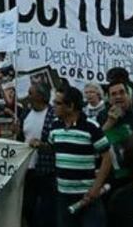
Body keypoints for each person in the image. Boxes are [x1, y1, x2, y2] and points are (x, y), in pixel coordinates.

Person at [47, 86, 110, 227]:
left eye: (58, 103)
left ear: (70, 106)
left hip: (88, 196)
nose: (53, 106)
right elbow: (52, 148)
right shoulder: (55, 126)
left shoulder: (91, 127)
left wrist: (96, 187)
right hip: (63, 196)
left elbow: (107, 157)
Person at [98, 78, 133, 192]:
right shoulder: (102, 117)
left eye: (121, 92)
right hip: (113, 180)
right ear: (108, 99)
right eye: (114, 94)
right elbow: (96, 143)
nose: (118, 97)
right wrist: (109, 123)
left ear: (129, 95)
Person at [21, 83, 57, 227]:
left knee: (46, 208)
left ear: (40, 97)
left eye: (31, 93)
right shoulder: (25, 114)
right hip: (28, 167)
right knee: (28, 205)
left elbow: (57, 143)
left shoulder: (54, 115)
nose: (27, 96)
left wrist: (41, 145)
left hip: (47, 169)